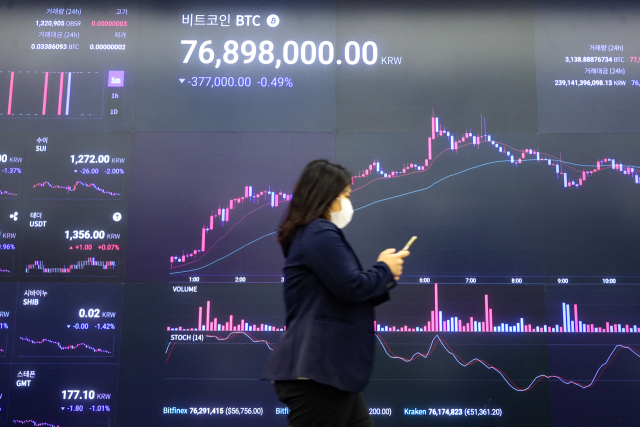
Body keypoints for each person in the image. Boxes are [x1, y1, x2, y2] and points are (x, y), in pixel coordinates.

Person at [261, 159, 409, 427]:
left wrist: (384, 275)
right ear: (326, 196)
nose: (349, 204)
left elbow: (345, 290)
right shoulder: (319, 231)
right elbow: (352, 286)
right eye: (346, 196)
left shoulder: (310, 234)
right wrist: (385, 270)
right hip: (318, 373)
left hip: (329, 374)